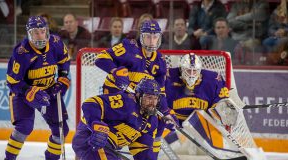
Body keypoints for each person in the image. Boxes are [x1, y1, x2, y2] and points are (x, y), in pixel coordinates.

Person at [94, 20, 178, 158]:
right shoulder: (129, 47)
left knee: (157, 122)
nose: (152, 41)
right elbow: (100, 58)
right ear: (141, 36)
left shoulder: (161, 61)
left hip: (137, 104)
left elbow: (160, 93)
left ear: (160, 38)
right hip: (116, 102)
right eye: (148, 37)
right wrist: (115, 70)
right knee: (106, 146)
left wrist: (166, 113)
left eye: (155, 36)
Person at [4, 16, 71, 160]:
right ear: (29, 34)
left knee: (61, 130)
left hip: (49, 89)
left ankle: (51, 158)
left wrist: (63, 78)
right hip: (24, 94)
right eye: (36, 32)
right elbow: (12, 82)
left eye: (42, 31)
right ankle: (9, 158)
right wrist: (28, 92)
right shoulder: (21, 52)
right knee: (24, 127)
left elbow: (65, 61)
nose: (40, 35)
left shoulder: (56, 42)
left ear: (47, 31)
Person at [72, 79, 161, 160]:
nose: (152, 102)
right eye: (149, 98)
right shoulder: (126, 102)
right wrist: (97, 125)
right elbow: (91, 103)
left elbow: (142, 148)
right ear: (138, 95)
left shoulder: (152, 120)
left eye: (155, 98)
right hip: (89, 139)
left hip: (109, 148)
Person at [166, 53, 229, 126]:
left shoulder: (213, 80)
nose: (191, 74)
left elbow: (221, 103)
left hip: (201, 126)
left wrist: (216, 115)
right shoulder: (167, 77)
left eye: (195, 70)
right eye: (189, 70)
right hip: (173, 124)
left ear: (199, 70)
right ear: (181, 69)